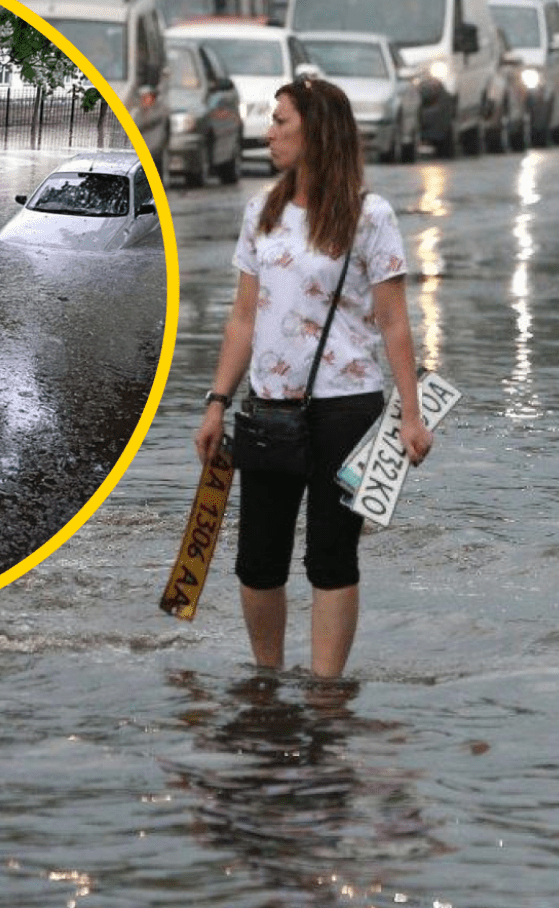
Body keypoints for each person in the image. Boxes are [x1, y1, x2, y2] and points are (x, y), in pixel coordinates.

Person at [194, 78, 433, 678]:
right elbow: (243, 319)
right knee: (257, 559)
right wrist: (218, 402)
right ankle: (267, 679)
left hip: (348, 408)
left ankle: (327, 691)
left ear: (316, 133)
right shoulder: (262, 213)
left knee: (331, 557)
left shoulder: (369, 215)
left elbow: (395, 323)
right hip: (269, 406)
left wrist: (411, 412)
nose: (268, 132)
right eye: (271, 122)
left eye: (280, 122)